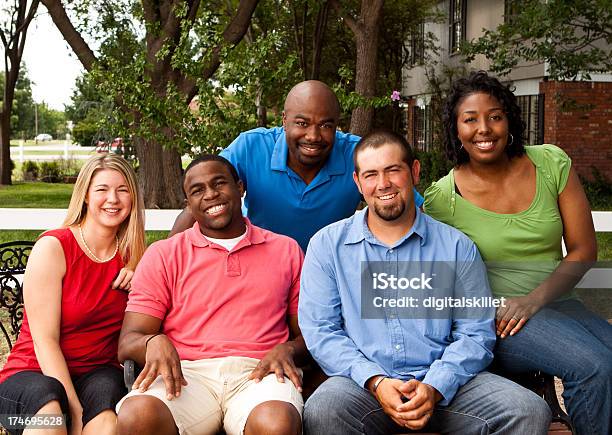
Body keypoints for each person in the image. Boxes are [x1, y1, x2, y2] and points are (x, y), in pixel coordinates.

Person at [298, 130, 551, 435]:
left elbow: (475, 333)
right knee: (324, 410)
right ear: (358, 183)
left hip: (448, 388)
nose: (383, 184)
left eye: (393, 170)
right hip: (364, 389)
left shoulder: (456, 247)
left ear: (414, 172)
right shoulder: (328, 245)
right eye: (371, 174)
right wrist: (376, 381)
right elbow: (321, 331)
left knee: (528, 411)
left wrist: (435, 386)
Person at [424, 71, 612, 435]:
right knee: (595, 366)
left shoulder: (550, 163)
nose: (484, 128)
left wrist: (533, 299)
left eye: (495, 116)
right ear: (455, 129)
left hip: (558, 302)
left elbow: (584, 249)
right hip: (502, 320)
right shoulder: (442, 199)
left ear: (509, 118)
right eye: (470, 119)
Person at [115, 155, 306, 435]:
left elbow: (310, 336)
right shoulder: (164, 254)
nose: (211, 195)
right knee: (137, 415)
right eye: (197, 190)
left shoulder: (285, 250)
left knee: (275, 423)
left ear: (240, 188)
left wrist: (288, 349)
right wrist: (152, 342)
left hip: (260, 373)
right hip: (185, 374)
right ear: (188, 204)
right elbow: (128, 341)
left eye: (219, 183)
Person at [170, 80, 424, 251]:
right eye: (302, 123)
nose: (313, 136)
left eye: (325, 125)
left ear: (337, 124)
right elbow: (202, 199)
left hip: (329, 268)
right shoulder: (251, 147)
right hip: (261, 265)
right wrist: (156, 266)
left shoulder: (358, 154)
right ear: (284, 120)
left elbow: (408, 204)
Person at [0, 154, 146, 435]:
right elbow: (45, 342)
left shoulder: (135, 257)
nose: (113, 199)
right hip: (33, 372)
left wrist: (140, 270)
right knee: (52, 419)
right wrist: (75, 412)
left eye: (123, 190)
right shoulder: (54, 247)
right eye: (102, 189)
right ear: (86, 197)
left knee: (107, 423)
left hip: (98, 372)